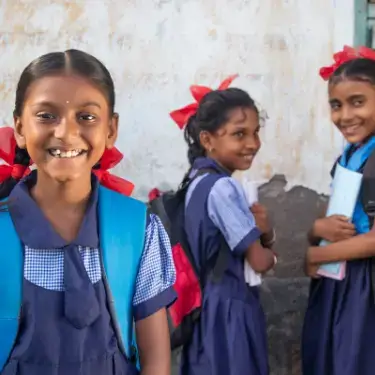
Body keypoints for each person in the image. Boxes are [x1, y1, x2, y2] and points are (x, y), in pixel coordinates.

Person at [0, 49, 176, 375]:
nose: (66, 133)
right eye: (46, 115)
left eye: (87, 117)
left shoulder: (138, 230)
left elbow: (156, 363)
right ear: (20, 128)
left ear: (111, 130)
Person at [170, 76, 277, 375]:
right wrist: (268, 237)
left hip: (205, 308)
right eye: (239, 134)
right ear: (207, 139)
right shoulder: (223, 189)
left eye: (255, 133)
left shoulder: (194, 182)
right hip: (230, 310)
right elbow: (259, 261)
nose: (252, 144)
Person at [302, 46, 375, 375]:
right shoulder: (351, 154)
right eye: (336, 105)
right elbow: (335, 215)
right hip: (343, 280)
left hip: (365, 286)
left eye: (357, 102)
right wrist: (317, 230)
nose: (345, 116)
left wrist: (314, 256)